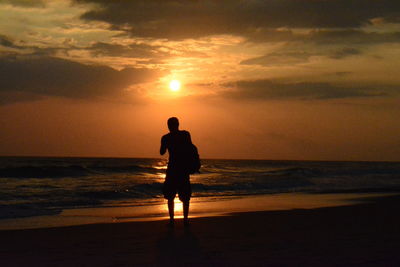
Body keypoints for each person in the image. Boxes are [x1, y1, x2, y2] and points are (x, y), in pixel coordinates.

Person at [160, 117, 193, 227]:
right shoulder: (185, 134)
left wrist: (165, 143)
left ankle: (172, 220)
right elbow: (191, 148)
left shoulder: (166, 137)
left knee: (170, 196)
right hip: (183, 168)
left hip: (173, 169)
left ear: (168, 126)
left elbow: (161, 152)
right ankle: (185, 220)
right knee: (185, 196)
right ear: (178, 124)